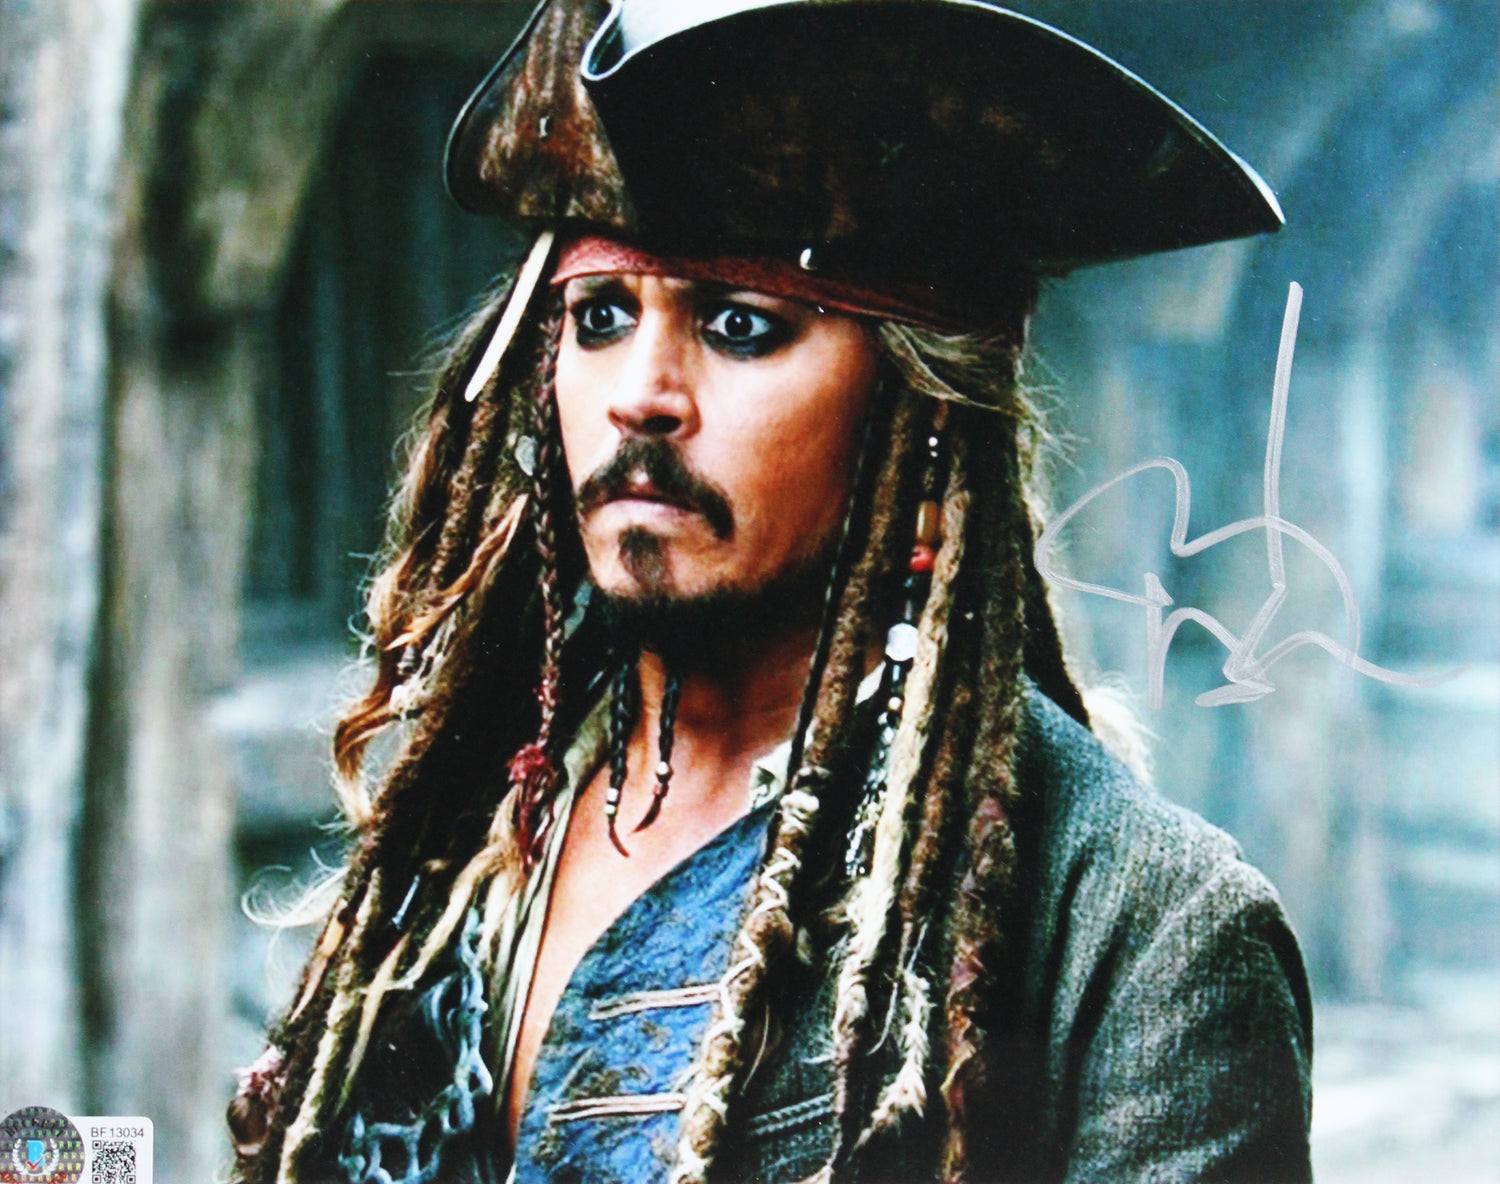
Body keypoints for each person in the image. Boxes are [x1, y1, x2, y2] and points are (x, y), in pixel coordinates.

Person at [228, 3, 1313, 1182]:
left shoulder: (1143, 932)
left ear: (922, 414)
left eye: (740, 325)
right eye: (600, 317)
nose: (642, 393)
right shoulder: (474, 819)